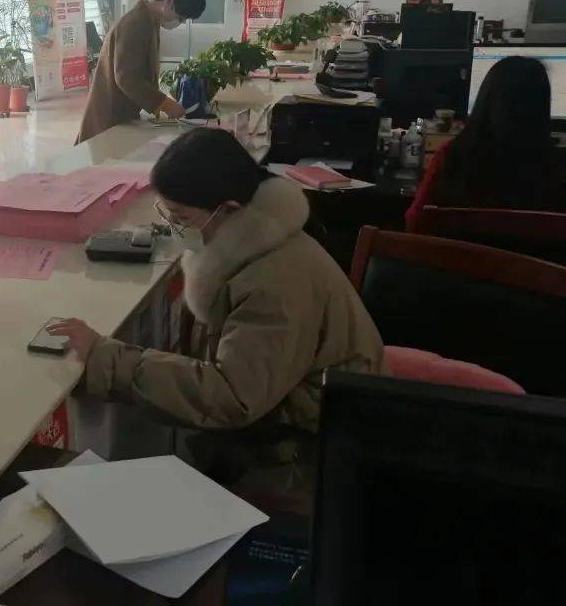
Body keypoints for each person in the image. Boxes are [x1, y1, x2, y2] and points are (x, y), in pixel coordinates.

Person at [47, 128, 385, 491]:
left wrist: (107, 359)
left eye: (180, 217)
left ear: (228, 209)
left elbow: (232, 397)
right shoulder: (252, 240)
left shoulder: (274, 283)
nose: (173, 228)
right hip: (281, 421)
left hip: (314, 454)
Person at [406, 56, 566, 231]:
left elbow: (415, 222)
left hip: (457, 249)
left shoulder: (452, 156)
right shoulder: (556, 170)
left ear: (485, 98)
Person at [75, 0, 206, 144]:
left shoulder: (149, 21)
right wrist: (164, 104)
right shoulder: (136, 24)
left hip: (122, 113)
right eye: (180, 18)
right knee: (99, 156)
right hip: (108, 117)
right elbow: (127, 78)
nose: (178, 23)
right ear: (169, 2)